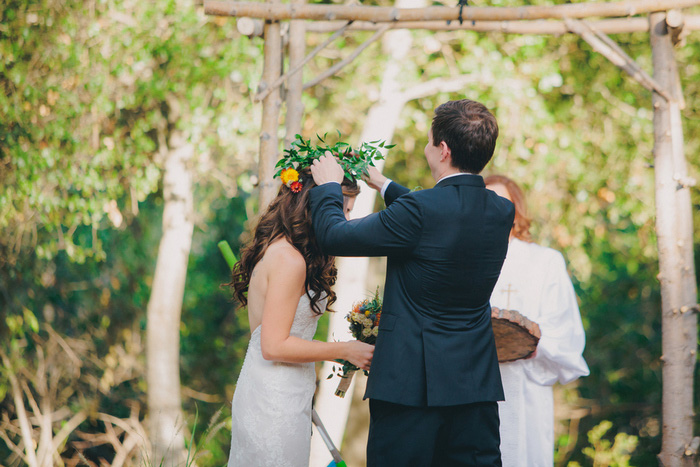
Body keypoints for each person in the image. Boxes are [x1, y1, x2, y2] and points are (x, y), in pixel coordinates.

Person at [309, 99, 515, 466]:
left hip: (410, 390)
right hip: (473, 388)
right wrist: (382, 182)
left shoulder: (420, 212)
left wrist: (328, 187)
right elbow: (444, 219)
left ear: (443, 150)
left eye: (429, 140)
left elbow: (334, 236)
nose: (426, 147)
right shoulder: (500, 210)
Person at [226, 167, 374, 467]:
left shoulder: (284, 251)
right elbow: (273, 346)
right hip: (273, 400)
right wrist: (345, 350)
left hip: (281, 389)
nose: (343, 220)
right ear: (312, 203)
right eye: (340, 208)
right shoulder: (289, 260)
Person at [484, 174, 589, 467]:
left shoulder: (545, 262)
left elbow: (565, 331)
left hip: (526, 386)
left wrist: (527, 343)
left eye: (500, 200)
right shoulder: (466, 259)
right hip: (476, 387)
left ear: (516, 209)